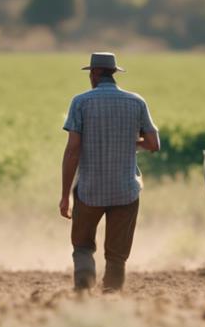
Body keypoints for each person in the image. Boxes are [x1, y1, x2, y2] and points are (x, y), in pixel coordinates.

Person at [60, 52, 160, 292]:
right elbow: (154, 144)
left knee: (83, 245)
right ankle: (112, 294)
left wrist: (65, 195)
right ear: (114, 73)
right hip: (126, 190)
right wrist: (129, 142)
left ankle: (84, 286)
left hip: (89, 189)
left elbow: (73, 151)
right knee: (117, 255)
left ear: (94, 74)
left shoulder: (81, 102)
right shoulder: (136, 102)